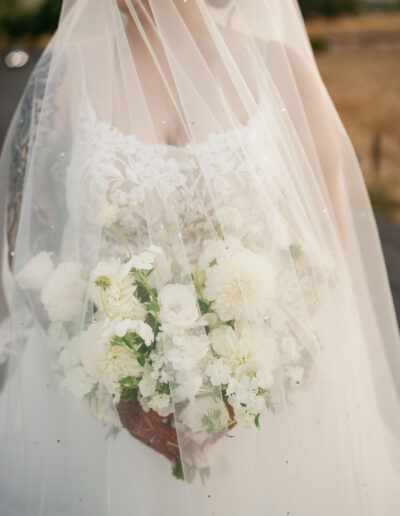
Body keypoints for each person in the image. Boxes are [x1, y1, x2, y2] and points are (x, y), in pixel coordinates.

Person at [0, 1, 399, 515]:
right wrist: (108, 372)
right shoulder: (64, 74)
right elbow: (24, 241)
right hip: (93, 412)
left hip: (258, 416)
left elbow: (327, 244)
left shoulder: (282, 70)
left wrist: (246, 375)